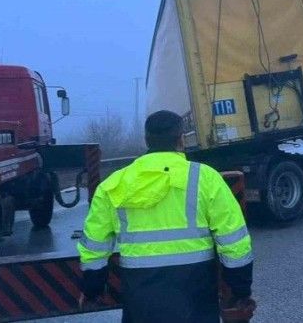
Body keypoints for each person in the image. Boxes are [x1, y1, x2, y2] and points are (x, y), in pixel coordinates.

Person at [78, 110, 255, 323]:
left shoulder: (113, 184)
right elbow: (234, 242)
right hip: (196, 292)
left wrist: (92, 290)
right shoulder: (205, 178)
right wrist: (240, 292)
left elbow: (94, 248)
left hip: (140, 294)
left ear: (146, 140)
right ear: (181, 140)